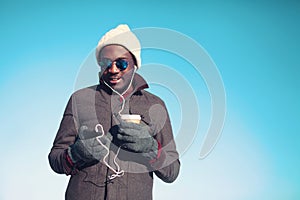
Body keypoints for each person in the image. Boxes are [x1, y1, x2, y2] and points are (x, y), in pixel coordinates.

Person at [48, 24, 180, 200]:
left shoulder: (155, 105)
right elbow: (55, 158)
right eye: (105, 63)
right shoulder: (80, 100)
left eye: (122, 63)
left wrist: (150, 148)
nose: (113, 69)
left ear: (135, 64)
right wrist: (75, 154)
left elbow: (172, 172)